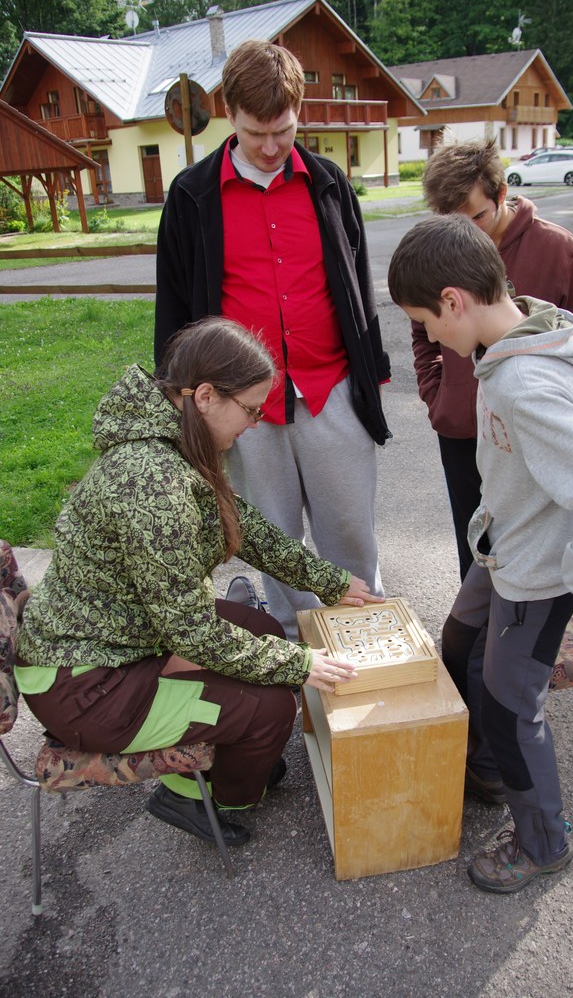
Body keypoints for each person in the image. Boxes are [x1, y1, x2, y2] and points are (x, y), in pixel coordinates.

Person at [15, 317, 383, 847]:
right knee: (274, 705)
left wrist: (327, 580)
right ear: (207, 395)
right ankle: (202, 796)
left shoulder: (172, 433)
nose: (257, 423)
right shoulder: (154, 483)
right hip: (85, 689)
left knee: (261, 628)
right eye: (252, 409)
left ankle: (231, 755)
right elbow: (192, 632)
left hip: (115, 644)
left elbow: (243, 524)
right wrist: (301, 664)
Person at [388, 214, 573, 894]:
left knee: (508, 705)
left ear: (453, 300)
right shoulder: (522, 339)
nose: (433, 340)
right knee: (457, 641)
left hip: (537, 575)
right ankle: (490, 769)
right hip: (503, 549)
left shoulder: (523, 383)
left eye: (428, 324)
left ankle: (541, 841)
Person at [154, 40, 390, 639]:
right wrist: (183, 401)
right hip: (244, 410)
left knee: (351, 537)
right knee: (275, 541)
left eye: (282, 130)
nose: (269, 146)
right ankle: (300, 661)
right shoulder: (190, 196)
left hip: (330, 388)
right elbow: (176, 309)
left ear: (297, 114)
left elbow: (358, 285)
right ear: (230, 113)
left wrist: (370, 374)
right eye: (256, 131)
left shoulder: (330, 184)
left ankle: (363, 652)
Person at [415, 138, 573, 581]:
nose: (468, 233)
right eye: (451, 221)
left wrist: (555, 398)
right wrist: (438, 394)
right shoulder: (441, 251)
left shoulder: (560, 248)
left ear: (502, 195)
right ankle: (480, 641)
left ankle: (524, 640)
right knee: (475, 545)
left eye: (477, 217)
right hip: (463, 428)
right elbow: (421, 330)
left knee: (533, 549)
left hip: (531, 432)